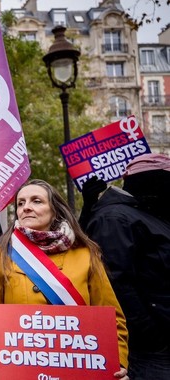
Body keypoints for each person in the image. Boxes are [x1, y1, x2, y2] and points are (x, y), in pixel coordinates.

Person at [0, 179, 129, 379]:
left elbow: (113, 318)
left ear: (55, 210)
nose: (26, 207)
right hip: (20, 370)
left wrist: (117, 363)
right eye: (21, 203)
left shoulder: (86, 253)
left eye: (36, 201)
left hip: (78, 369)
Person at [84, 153, 170, 379]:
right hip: (150, 351)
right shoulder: (114, 218)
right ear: (154, 181)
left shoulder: (150, 215)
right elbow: (116, 282)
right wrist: (151, 334)